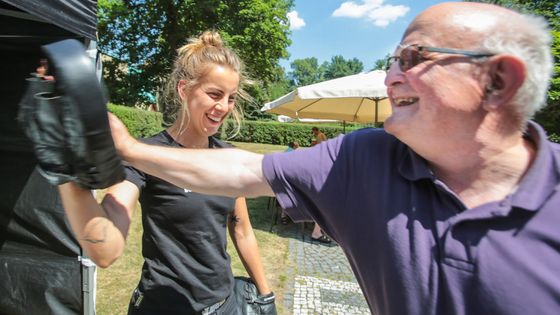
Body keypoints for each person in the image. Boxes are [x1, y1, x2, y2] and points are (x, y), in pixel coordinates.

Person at [105, 3, 559, 314]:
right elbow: (242, 170)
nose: (390, 75)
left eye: (413, 57)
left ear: (498, 81)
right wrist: (128, 150)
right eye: (392, 59)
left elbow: (240, 223)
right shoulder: (363, 158)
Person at [58, 31, 275, 315]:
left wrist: (266, 294)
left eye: (231, 98)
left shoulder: (227, 157)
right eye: (214, 94)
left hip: (224, 305)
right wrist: (70, 177)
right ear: (184, 90)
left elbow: (241, 229)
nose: (223, 107)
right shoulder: (145, 155)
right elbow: (106, 250)